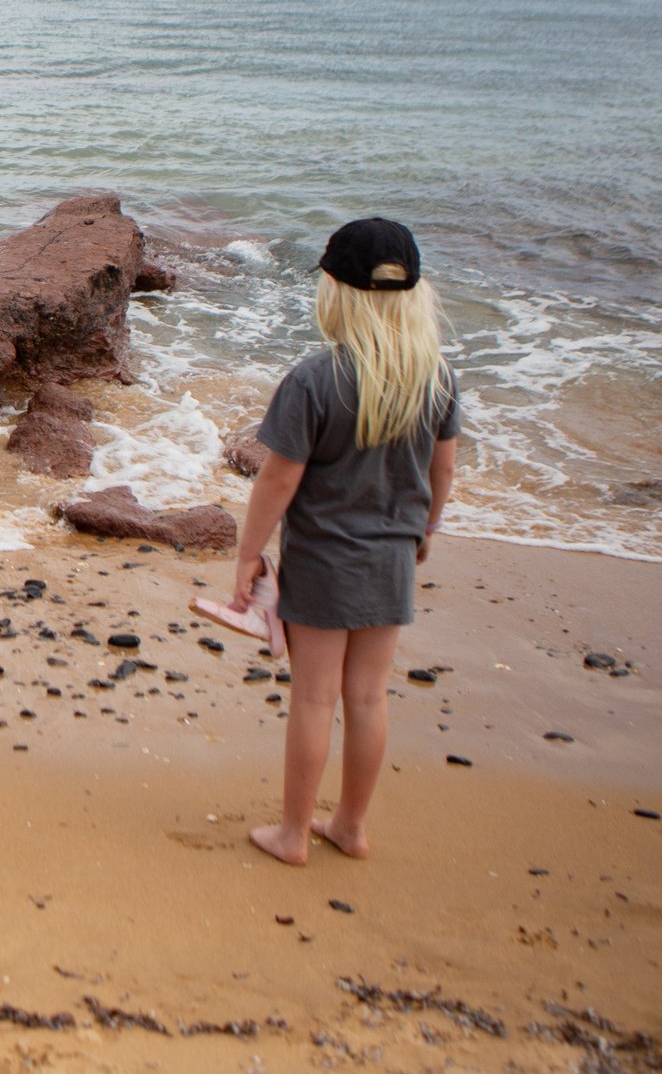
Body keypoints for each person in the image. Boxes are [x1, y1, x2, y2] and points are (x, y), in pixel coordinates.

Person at [230, 217, 459, 865]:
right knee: (368, 696)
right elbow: (443, 469)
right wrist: (426, 529)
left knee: (313, 697)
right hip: (393, 558)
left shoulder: (316, 378)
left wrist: (248, 553)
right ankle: (351, 827)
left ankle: (293, 834)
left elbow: (279, 479)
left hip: (324, 561)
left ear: (335, 294)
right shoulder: (435, 376)